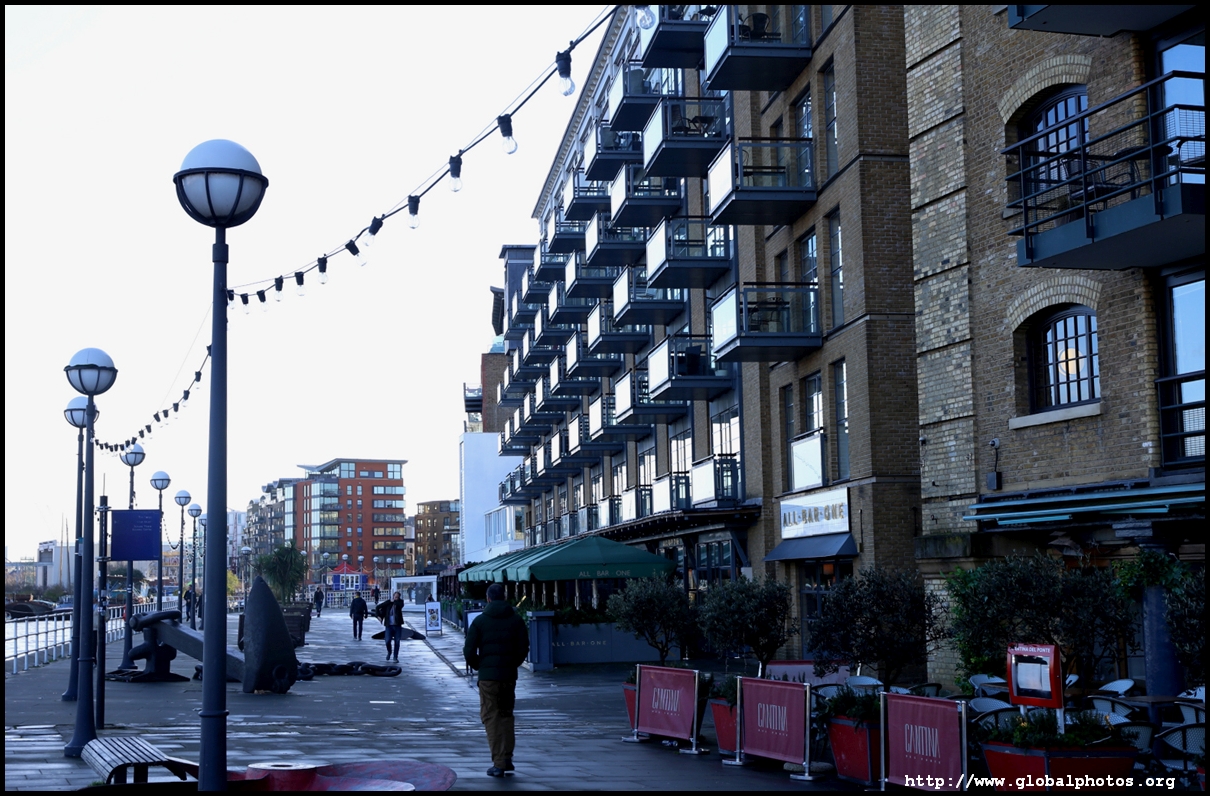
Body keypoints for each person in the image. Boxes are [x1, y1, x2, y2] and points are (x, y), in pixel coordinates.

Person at [464, 582, 529, 778]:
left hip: (488, 678)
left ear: (488, 598)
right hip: (508, 676)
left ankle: (498, 763)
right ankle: (507, 757)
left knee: (491, 717)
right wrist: (512, 664)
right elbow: (523, 648)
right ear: (504, 597)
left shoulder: (480, 621)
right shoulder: (516, 620)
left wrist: (480, 666)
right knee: (507, 715)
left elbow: (468, 650)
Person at [382, 591, 405, 661]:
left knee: (397, 641)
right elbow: (382, 608)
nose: (396, 598)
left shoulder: (400, 602)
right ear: (393, 596)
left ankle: (395, 657)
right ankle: (389, 652)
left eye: (397, 597)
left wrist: (394, 601)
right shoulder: (389, 603)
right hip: (389, 625)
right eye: (395, 597)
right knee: (387, 641)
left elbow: (400, 605)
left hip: (397, 625)